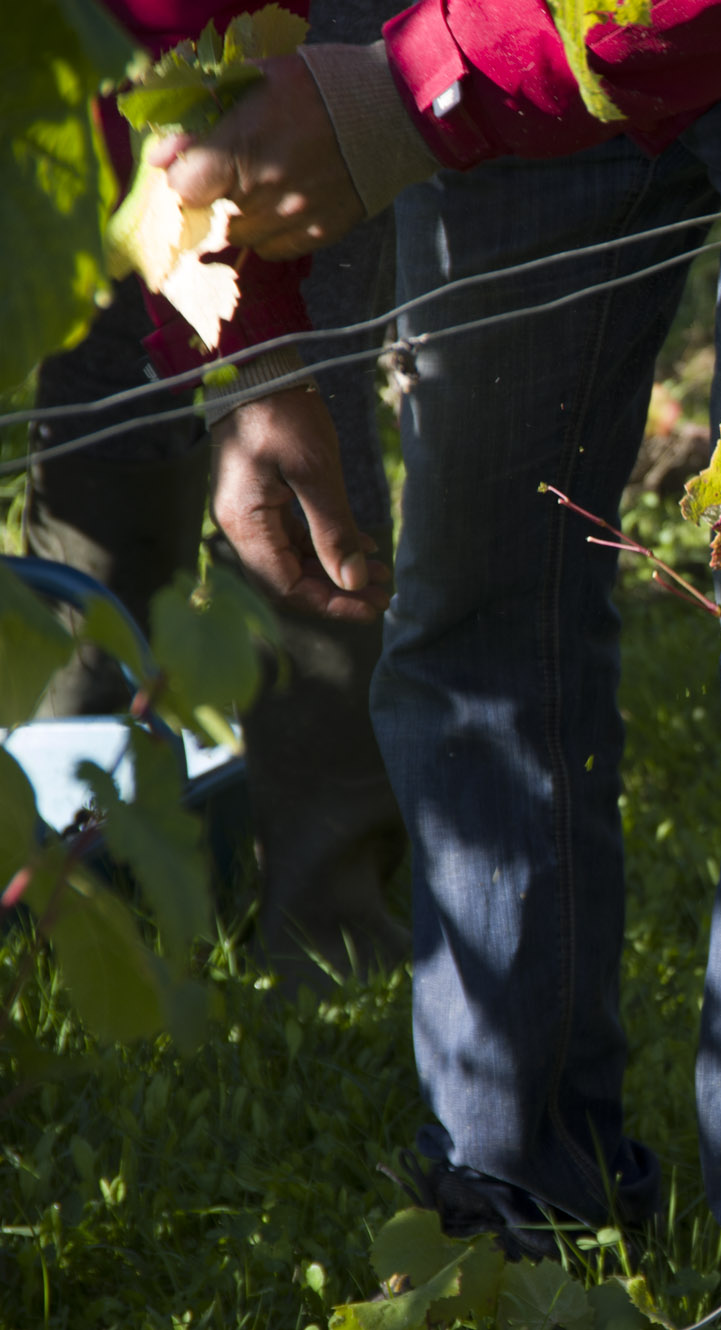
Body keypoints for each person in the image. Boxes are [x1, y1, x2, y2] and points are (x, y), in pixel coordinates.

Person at [134, 2, 721, 1323]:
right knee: (477, 610)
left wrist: (420, 85)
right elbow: (183, 38)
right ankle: (512, 1201)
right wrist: (244, 333)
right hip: (493, 40)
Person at [30, 0, 407, 988]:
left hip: (286, 41)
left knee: (300, 403)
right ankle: (64, 851)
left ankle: (330, 920)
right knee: (109, 363)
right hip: (118, 43)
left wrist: (255, 356)